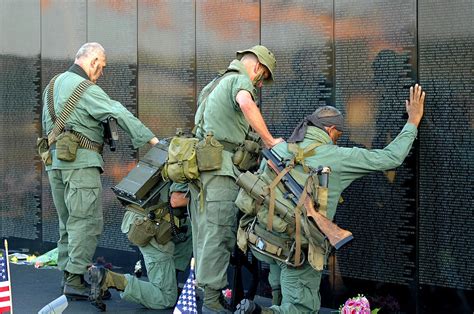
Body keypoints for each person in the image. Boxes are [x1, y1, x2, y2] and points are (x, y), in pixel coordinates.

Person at [235, 84, 426, 313]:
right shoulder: (339, 157)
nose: (338, 140)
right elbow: (391, 157)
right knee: (301, 307)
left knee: (279, 292)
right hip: (297, 248)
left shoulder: (282, 148)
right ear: (331, 129)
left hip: (264, 239)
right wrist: (413, 121)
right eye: (339, 135)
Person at [41, 42, 159, 300]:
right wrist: (152, 142)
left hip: (55, 163)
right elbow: (116, 110)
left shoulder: (52, 86)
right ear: (93, 61)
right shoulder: (86, 89)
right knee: (86, 221)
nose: (101, 73)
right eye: (102, 67)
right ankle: (75, 279)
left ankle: (67, 273)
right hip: (80, 164)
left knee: (67, 221)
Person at [189, 45, 283, 313]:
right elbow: (245, 102)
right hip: (220, 172)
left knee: (205, 233)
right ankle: (211, 302)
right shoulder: (241, 80)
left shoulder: (214, 83)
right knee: (218, 234)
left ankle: (206, 295)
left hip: (202, 173)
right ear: (256, 67)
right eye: (262, 78)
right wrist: (270, 141)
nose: (260, 85)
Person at [87, 183, 193, 310]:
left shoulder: (167, 163)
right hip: (151, 226)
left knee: (188, 232)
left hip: (137, 216)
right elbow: (176, 199)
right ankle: (110, 279)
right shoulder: (186, 166)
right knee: (167, 298)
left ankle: (170, 282)